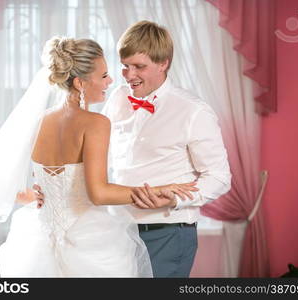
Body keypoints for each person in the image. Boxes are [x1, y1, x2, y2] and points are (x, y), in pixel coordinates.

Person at [0, 36, 197, 277]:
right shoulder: (96, 124)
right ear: (79, 83)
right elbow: (99, 194)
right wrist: (163, 189)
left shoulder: (39, 121)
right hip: (88, 241)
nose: (111, 80)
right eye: (104, 75)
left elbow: (7, 188)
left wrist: (40, 195)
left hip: (37, 242)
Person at [100, 20, 232, 277]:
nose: (129, 75)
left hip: (168, 233)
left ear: (164, 63)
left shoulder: (194, 111)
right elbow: (97, 153)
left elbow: (219, 178)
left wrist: (172, 198)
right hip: (119, 231)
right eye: (125, 66)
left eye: (139, 67)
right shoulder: (117, 98)